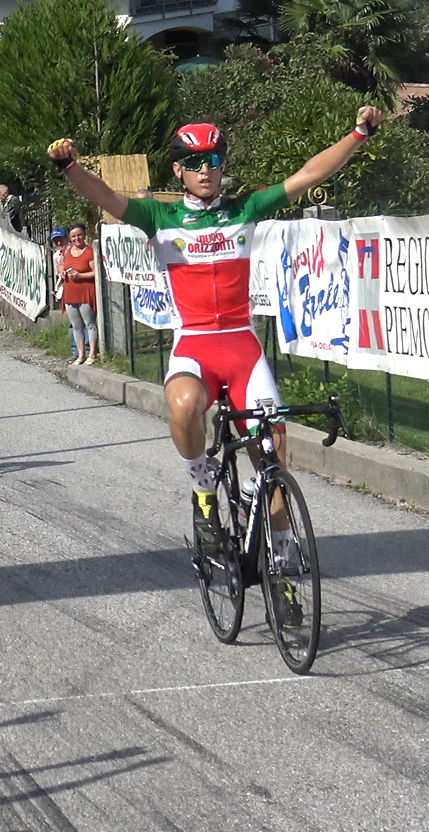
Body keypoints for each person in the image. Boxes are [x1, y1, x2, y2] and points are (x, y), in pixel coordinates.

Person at [48, 110, 384, 549]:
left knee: (271, 456)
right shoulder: (158, 217)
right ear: (178, 169)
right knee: (185, 405)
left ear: (223, 164)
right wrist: (70, 166)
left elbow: (306, 176)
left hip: (242, 348)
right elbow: (107, 197)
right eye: (193, 162)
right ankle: (203, 489)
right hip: (196, 345)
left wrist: (358, 134)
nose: (204, 169)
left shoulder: (245, 208)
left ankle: (282, 557)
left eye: (212, 160)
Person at [61, 224, 99, 366]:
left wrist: (80, 276)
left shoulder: (89, 252)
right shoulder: (67, 251)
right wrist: (62, 272)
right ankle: (81, 354)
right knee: (76, 326)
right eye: (73, 236)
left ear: (84, 235)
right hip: (70, 292)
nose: (77, 238)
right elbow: (61, 265)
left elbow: (96, 272)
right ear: (70, 238)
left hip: (85, 292)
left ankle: (92, 354)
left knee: (89, 324)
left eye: (79, 235)